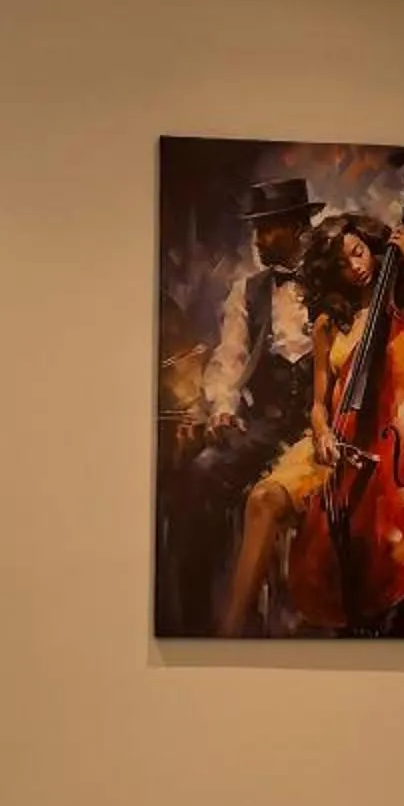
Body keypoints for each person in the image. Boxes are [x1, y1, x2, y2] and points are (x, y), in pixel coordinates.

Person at [215, 196, 404, 637]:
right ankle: (230, 629)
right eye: (344, 261)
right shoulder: (329, 322)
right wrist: (324, 432)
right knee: (263, 498)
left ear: (373, 248)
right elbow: (319, 403)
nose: (356, 266)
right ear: (334, 272)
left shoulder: (398, 309)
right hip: (338, 440)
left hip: (384, 449)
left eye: (360, 252)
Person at [156, 175, 321, 633]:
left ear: (297, 227)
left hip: (320, 428)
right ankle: (194, 624)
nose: (260, 239)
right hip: (264, 426)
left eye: (268, 228)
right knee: (199, 476)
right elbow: (228, 360)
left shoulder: (332, 282)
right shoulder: (246, 292)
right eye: (256, 229)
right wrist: (224, 406)